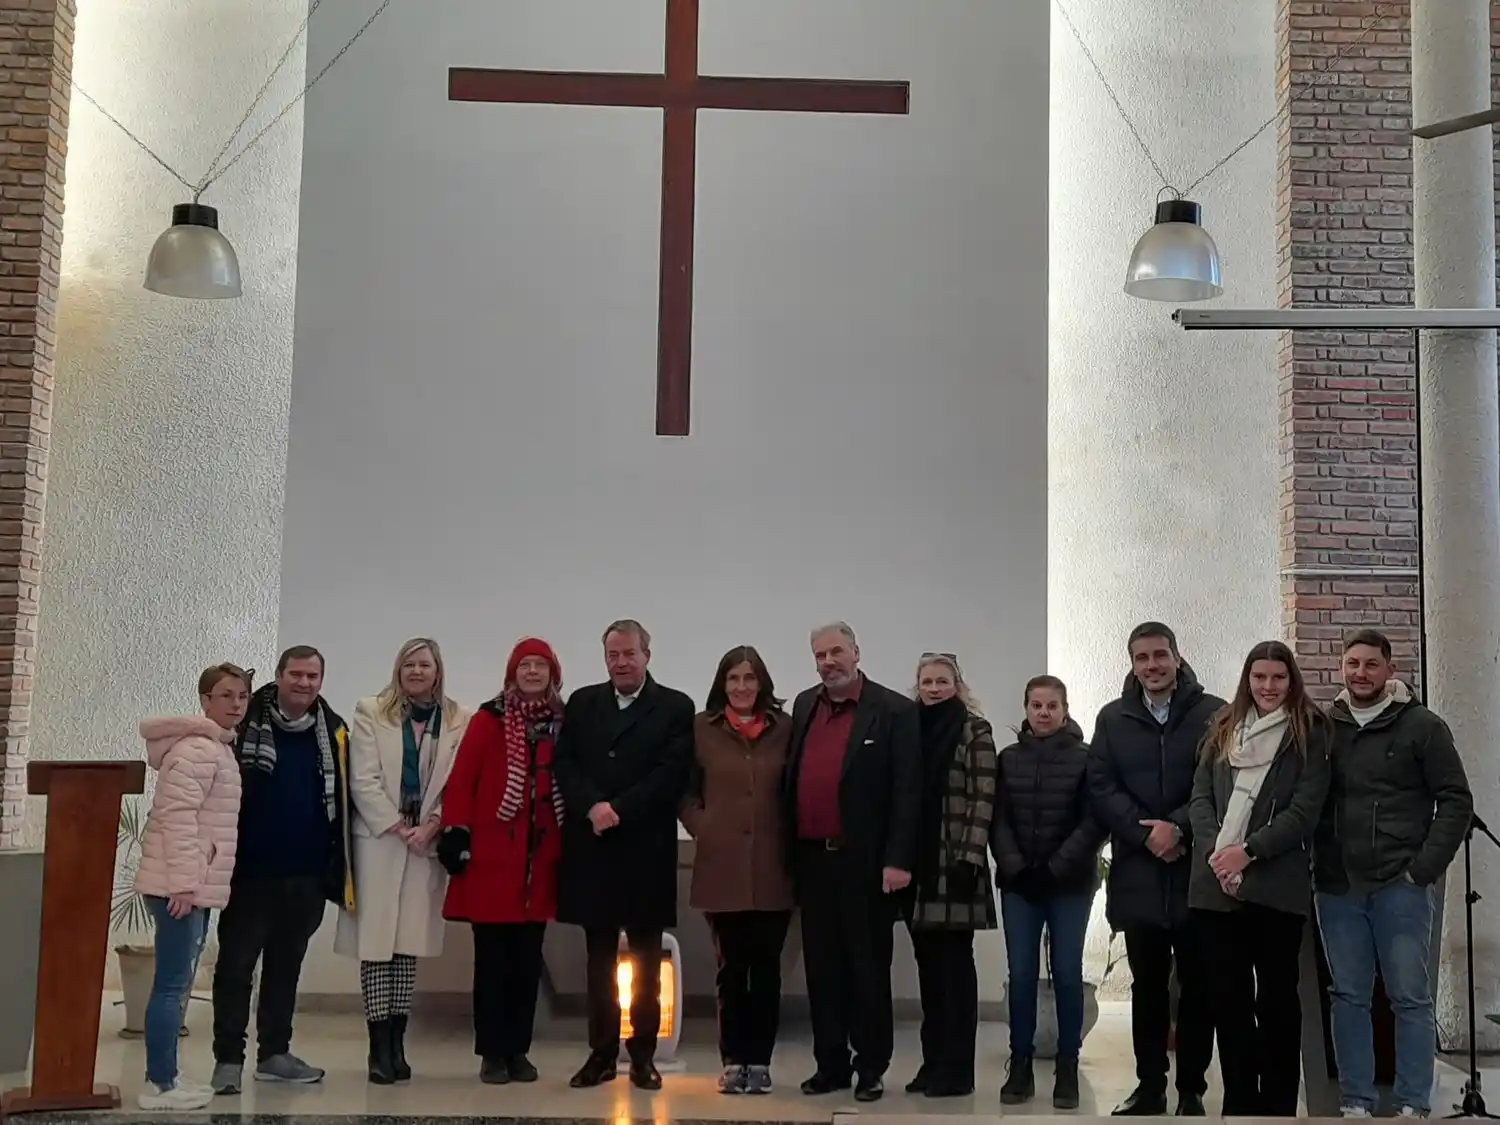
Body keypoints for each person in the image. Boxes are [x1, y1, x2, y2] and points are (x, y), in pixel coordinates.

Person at [1314, 629, 1472, 1119]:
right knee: (1348, 996)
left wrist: (1422, 869)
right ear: (1341, 668)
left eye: (1371, 664)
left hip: (1399, 885)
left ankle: (1412, 1103)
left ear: (1390, 670)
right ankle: (1355, 1101)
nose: (1360, 673)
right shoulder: (1323, 726)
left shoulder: (1422, 726)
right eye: (1352, 664)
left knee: (1409, 997)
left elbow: (1456, 800)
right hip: (1337, 886)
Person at [1187, 641, 1331, 1117]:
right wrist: (1218, 855)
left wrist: (1246, 853)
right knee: (1228, 1003)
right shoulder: (1223, 727)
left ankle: (1278, 1107)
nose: (1268, 687)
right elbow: (1201, 799)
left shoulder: (1309, 732)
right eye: (1260, 677)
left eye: (1278, 678)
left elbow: (1304, 811)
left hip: (1275, 884)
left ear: (1292, 681)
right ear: (1247, 680)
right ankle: (1240, 1104)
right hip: (1215, 886)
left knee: (1276, 1004)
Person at [1087, 621, 1224, 1116]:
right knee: (1146, 990)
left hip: (1195, 874)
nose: (1152, 666)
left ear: (1177, 656)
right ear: (1132, 663)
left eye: (1160, 655)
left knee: (1196, 988)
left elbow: (1221, 783)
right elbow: (1100, 786)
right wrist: (1146, 833)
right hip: (1138, 873)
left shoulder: (1214, 714)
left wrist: (1178, 828)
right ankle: (1149, 1088)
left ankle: (1191, 1091)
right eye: (1142, 658)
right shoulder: (1113, 718)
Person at [554, 619, 694, 1091]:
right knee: (597, 963)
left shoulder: (675, 706)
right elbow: (565, 763)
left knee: (648, 962)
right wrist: (592, 806)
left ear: (647, 655)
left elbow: (670, 772)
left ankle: (643, 1058)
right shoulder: (582, 702)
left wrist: (619, 808)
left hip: (644, 849)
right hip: (593, 846)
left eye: (629, 653)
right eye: (613, 655)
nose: (621, 662)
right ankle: (600, 1054)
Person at [783, 621, 919, 1103]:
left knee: (867, 968)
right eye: (819, 654)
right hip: (812, 862)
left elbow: (907, 791)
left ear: (857, 652)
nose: (828, 662)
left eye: (837, 651)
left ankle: (872, 1067)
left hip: (867, 865)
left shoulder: (893, 710)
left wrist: (898, 859)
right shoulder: (804, 705)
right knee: (822, 970)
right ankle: (831, 1065)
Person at [211, 645, 354, 1094]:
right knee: (236, 966)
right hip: (249, 873)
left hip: (307, 875)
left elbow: (344, 804)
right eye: (296, 674)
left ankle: (274, 1053)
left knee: (285, 967)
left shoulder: (333, 731)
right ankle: (228, 1059)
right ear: (279, 675)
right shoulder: (245, 720)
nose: (304, 683)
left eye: (313, 676)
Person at [334, 638, 470, 1085]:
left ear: (437, 671)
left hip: (425, 843)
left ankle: (397, 1043)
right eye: (408, 664)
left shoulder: (457, 719)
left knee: (406, 946)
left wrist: (431, 824)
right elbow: (362, 778)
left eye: (424, 664)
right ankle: (377, 1049)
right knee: (376, 946)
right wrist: (397, 826)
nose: (416, 671)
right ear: (398, 669)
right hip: (380, 841)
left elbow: (457, 783)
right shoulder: (372, 711)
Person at [438, 637, 567, 1085]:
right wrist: (456, 832)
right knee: (492, 961)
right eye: (524, 665)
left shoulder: (561, 722)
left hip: (540, 863)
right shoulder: (489, 720)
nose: (532, 672)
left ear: (553, 674)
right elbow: (462, 781)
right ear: (512, 673)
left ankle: (519, 1049)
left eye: (541, 666)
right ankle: (492, 1052)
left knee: (528, 963)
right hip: (494, 860)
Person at [134, 663, 249, 1110]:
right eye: (225, 695)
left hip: (190, 883)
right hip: (179, 886)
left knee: (177, 983)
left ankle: (169, 1076)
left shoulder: (216, 747)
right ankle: (160, 1086)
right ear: (205, 700)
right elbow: (177, 819)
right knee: (171, 984)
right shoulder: (198, 751)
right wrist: (183, 884)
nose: (235, 704)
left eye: (241, 695)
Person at [681, 645, 795, 1096]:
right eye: (733, 679)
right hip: (721, 865)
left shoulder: (785, 728)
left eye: (750, 679)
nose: (742, 687)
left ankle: (760, 1061)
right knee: (731, 969)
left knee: (766, 969)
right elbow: (685, 791)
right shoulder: (701, 729)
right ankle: (732, 1061)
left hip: (774, 867)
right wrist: (702, 826)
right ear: (722, 685)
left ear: (762, 683)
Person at [991, 674, 1104, 1110]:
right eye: (1036, 705)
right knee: (1020, 974)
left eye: (1051, 706)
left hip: (1069, 885)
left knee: (1067, 974)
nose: (1043, 713)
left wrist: (1057, 867)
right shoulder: (1008, 758)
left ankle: (1067, 1066)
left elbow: (1094, 822)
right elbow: (997, 819)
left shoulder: (1086, 758)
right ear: (1025, 708)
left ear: (1065, 709)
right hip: (1020, 885)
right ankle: (1019, 1064)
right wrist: (1016, 866)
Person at [902, 653, 997, 1099]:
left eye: (943, 680)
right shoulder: (908, 728)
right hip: (920, 866)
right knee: (928, 971)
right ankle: (931, 1062)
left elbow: (984, 796)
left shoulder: (974, 730)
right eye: (927, 681)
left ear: (958, 685)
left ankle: (958, 1071)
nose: (935, 688)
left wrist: (970, 857)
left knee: (955, 971)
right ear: (917, 686)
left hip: (957, 866)